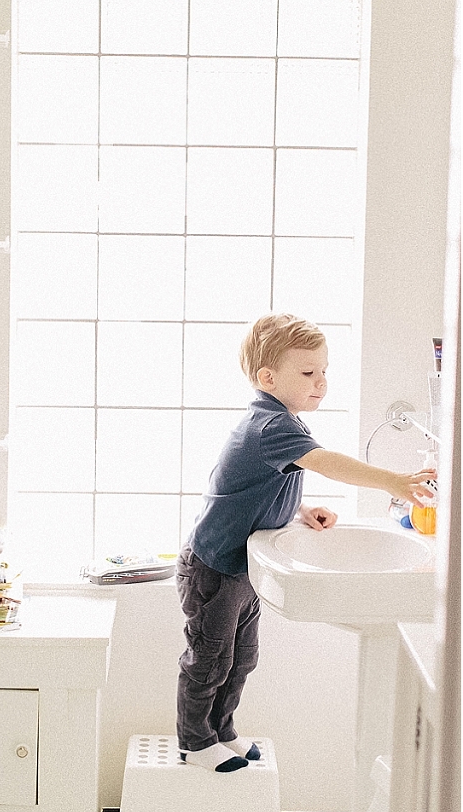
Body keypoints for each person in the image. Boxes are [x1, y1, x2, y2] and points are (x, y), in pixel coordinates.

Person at [177, 313, 437, 773]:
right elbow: (327, 463)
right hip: (216, 569)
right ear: (268, 378)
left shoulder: (281, 421)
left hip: (242, 567)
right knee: (210, 659)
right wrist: (394, 481)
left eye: (324, 372)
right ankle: (196, 742)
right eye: (308, 373)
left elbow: (254, 485)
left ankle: (221, 731)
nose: (321, 382)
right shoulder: (270, 426)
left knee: (241, 658)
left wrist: (299, 510)